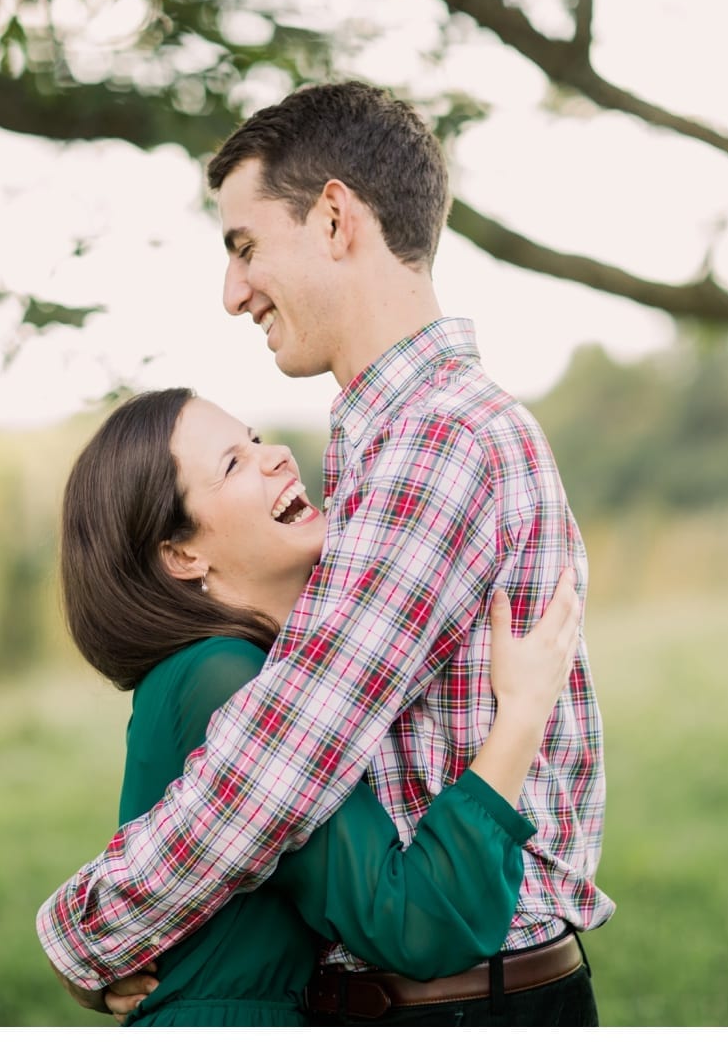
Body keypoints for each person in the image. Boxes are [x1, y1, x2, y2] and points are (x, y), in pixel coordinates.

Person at [38, 80, 613, 1026]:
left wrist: (83, 931)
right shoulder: (388, 446)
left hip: (462, 1001)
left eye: (245, 245)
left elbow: (279, 766)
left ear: (336, 218)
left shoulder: (437, 441)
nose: (233, 292)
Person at [58, 387, 581, 1026]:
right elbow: (419, 921)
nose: (274, 455)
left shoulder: (247, 671)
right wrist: (521, 716)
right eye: (232, 465)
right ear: (182, 554)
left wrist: (85, 946)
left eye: (253, 440)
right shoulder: (220, 674)